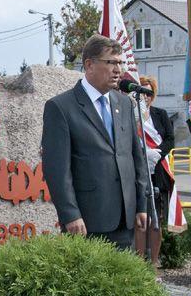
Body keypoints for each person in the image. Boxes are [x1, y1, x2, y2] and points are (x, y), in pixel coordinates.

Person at [41, 34, 148, 249]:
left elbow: (136, 157)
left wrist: (141, 204)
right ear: (89, 64)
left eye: (121, 63)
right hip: (87, 221)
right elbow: (57, 169)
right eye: (111, 62)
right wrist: (70, 214)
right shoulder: (61, 107)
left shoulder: (124, 103)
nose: (118, 69)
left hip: (125, 218)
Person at [135, 75, 175, 266]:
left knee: (156, 220)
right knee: (140, 220)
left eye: (149, 92)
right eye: (142, 91)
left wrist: (157, 153)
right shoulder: (130, 114)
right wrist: (142, 152)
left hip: (158, 172)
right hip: (137, 173)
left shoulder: (161, 114)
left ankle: (154, 262)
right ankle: (139, 261)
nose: (145, 96)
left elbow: (170, 139)